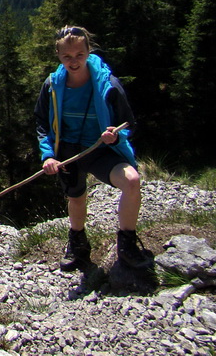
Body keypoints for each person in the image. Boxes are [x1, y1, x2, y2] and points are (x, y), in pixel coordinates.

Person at [34, 26, 150, 270]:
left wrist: (116, 136)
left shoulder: (108, 84)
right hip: (67, 153)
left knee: (131, 180)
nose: (74, 61)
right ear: (58, 55)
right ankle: (78, 243)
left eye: (79, 55)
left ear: (89, 51)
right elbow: (42, 123)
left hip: (101, 151)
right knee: (76, 197)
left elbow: (128, 122)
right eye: (67, 56)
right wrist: (48, 156)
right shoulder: (53, 85)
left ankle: (127, 242)